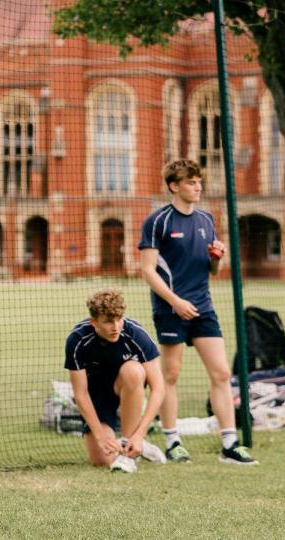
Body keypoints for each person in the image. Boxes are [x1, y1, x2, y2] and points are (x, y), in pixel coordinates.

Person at [138, 159, 257, 465]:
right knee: (171, 375)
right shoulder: (158, 221)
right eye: (191, 182)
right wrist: (175, 301)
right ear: (174, 186)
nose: (198, 186)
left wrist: (218, 257)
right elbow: (148, 271)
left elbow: (213, 270)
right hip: (170, 309)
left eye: (199, 181)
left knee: (220, 373)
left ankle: (230, 444)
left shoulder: (206, 219)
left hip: (203, 307)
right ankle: (173, 441)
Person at [64, 289, 167, 473]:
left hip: (125, 387)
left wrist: (140, 432)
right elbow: (80, 394)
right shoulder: (77, 340)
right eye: (108, 321)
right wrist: (99, 435)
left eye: (119, 319)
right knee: (102, 459)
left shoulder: (135, 334)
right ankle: (140, 446)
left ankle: (130, 449)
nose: (116, 327)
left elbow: (159, 388)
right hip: (96, 397)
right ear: (94, 322)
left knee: (134, 371)